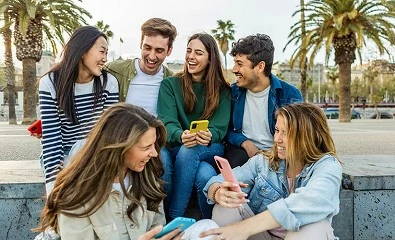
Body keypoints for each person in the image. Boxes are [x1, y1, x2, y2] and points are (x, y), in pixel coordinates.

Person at [34, 103, 184, 240]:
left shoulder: (148, 179)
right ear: (119, 147)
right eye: (146, 147)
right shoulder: (76, 193)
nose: (155, 154)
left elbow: (157, 227)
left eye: (154, 145)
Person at [199, 102, 342, 240]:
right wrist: (218, 192)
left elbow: (313, 201)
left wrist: (244, 228)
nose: (276, 139)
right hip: (263, 236)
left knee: (315, 226)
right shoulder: (264, 162)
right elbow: (216, 181)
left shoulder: (327, 166)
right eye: (277, 130)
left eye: (286, 133)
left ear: (308, 136)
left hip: (300, 236)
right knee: (225, 207)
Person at [157, 32, 231, 220]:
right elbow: (167, 122)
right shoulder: (170, 85)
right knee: (204, 175)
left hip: (208, 147)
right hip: (176, 144)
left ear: (210, 58)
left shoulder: (223, 90)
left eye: (198, 53)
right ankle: (204, 223)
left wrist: (210, 134)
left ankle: (173, 219)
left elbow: (220, 128)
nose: (191, 56)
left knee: (191, 150)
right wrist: (181, 135)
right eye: (189, 51)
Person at [38, 26, 119, 194]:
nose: (105, 59)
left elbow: (108, 133)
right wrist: (52, 188)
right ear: (83, 51)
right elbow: (52, 139)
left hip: (96, 153)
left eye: (106, 53)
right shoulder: (50, 83)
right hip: (64, 154)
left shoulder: (109, 83)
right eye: (101, 52)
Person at [224, 34, 303, 168]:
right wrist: (246, 143)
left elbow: (299, 135)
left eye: (240, 64)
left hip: (279, 154)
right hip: (242, 153)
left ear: (260, 67)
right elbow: (226, 129)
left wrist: (273, 153)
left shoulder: (290, 94)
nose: (234, 69)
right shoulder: (233, 92)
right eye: (234, 63)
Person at [104, 17, 177, 115]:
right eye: (147, 48)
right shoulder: (113, 70)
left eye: (159, 50)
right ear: (140, 44)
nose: (152, 56)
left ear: (169, 51)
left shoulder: (172, 81)